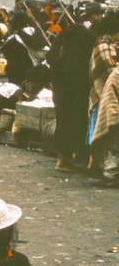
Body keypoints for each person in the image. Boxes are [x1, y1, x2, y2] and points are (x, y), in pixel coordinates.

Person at [48, 23, 94, 171]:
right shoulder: (83, 46)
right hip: (77, 90)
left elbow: (50, 58)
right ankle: (66, 159)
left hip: (60, 89)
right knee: (76, 122)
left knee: (63, 121)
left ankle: (64, 158)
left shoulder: (61, 48)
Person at [88, 12, 119, 173]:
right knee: (100, 129)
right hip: (101, 92)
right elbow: (110, 68)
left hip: (108, 91)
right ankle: (97, 165)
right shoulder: (103, 44)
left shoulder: (110, 44)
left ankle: (99, 165)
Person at [92, 64, 119, 187]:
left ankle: (111, 175)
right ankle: (111, 176)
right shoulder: (116, 75)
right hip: (114, 115)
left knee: (114, 148)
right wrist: (114, 116)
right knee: (114, 148)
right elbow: (111, 99)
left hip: (114, 114)